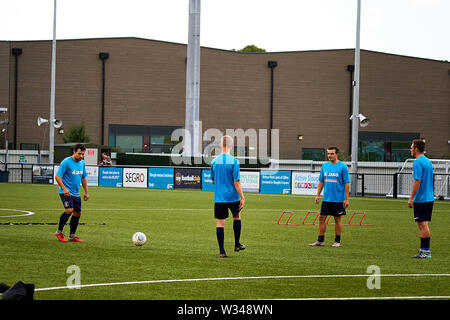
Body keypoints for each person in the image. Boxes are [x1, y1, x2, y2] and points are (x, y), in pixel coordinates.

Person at [211, 135, 245, 258]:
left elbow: (213, 181)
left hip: (219, 197)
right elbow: (237, 181)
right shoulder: (234, 161)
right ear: (231, 145)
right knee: (237, 216)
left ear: (221, 145)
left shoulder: (214, 161)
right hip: (233, 196)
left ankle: (222, 251)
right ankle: (236, 244)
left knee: (220, 223)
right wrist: (242, 197)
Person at [309, 146, 350, 247]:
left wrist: (346, 199)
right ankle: (320, 240)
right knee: (321, 218)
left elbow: (347, 183)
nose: (329, 155)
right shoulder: (325, 166)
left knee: (337, 219)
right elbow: (321, 181)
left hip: (338, 199)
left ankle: (337, 241)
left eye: (332, 153)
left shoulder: (343, 167)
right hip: (326, 199)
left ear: (337, 154)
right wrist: (318, 195)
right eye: (328, 154)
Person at [54, 144, 89, 242]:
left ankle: (72, 236)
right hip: (66, 192)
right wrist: (64, 189)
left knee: (77, 213)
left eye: (83, 154)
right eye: (79, 154)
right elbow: (57, 177)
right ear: (74, 152)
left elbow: (83, 178)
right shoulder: (66, 162)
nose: (81, 156)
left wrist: (86, 192)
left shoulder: (82, 163)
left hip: (76, 193)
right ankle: (59, 232)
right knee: (69, 210)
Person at [408, 139, 434, 259]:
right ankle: (424, 250)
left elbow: (417, 180)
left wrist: (411, 198)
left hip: (422, 198)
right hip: (429, 197)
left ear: (417, 149)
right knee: (424, 224)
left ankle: (425, 251)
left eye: (412, 147)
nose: (410, 149)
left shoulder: (418, 162)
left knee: (422, 224)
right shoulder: (428, 161)